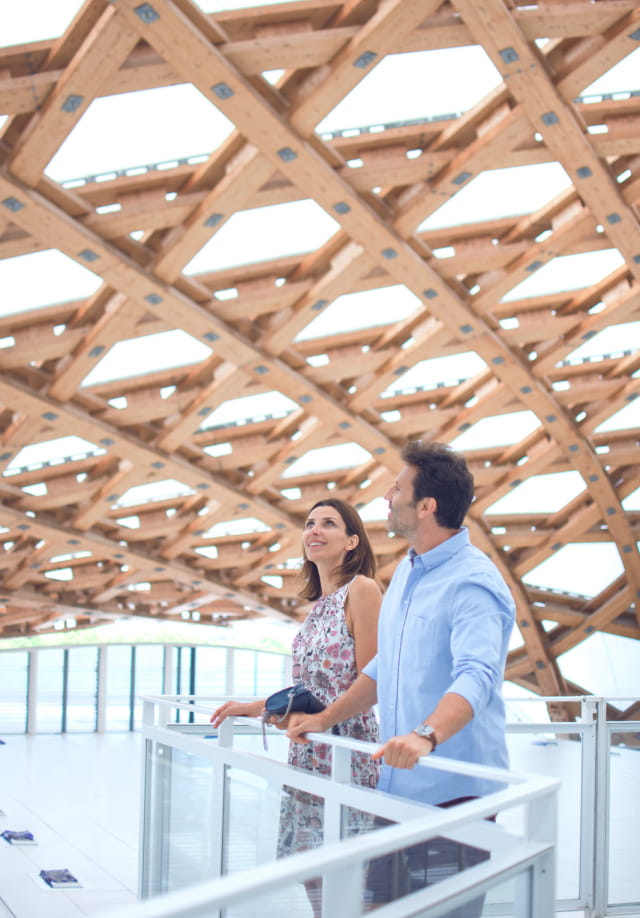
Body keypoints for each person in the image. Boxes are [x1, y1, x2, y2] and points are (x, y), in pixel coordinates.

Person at [288, 441, 516, 914]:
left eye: (396, 488)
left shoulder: (474, 581)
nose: (387, 497)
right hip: (395, 793)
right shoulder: (408, 575)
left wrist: (425, 735)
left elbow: (477, 675)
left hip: (455, 796)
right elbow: (379, 669)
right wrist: (324, 718)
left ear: (426, 506)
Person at [211, 498, 382, 918]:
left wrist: (324, 720)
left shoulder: (362, 590)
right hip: (307, 751)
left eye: (329, 523)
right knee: (311, 868)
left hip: (346, 747)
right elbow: (310, 687)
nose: (315, 530)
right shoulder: (318, 606)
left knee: (352, 872)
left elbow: (373, 680)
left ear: (352, 541)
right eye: (309, 524)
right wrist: (252, 707)